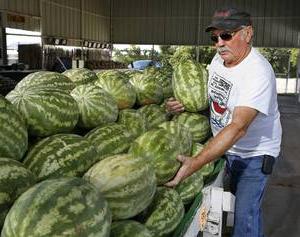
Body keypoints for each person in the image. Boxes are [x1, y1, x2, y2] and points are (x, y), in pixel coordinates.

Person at [165, 7, 282, 237]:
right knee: (230, 208)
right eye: (214, 37)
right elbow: (215, 99)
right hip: (227, 149)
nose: (219, 43)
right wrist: (179, 104)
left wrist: (194, 162)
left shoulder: (257, 72)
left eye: (226, 35)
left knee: (244, 219)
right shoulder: (219, 60)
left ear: (248, 34)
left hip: (254, 155)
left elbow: (238, 127)